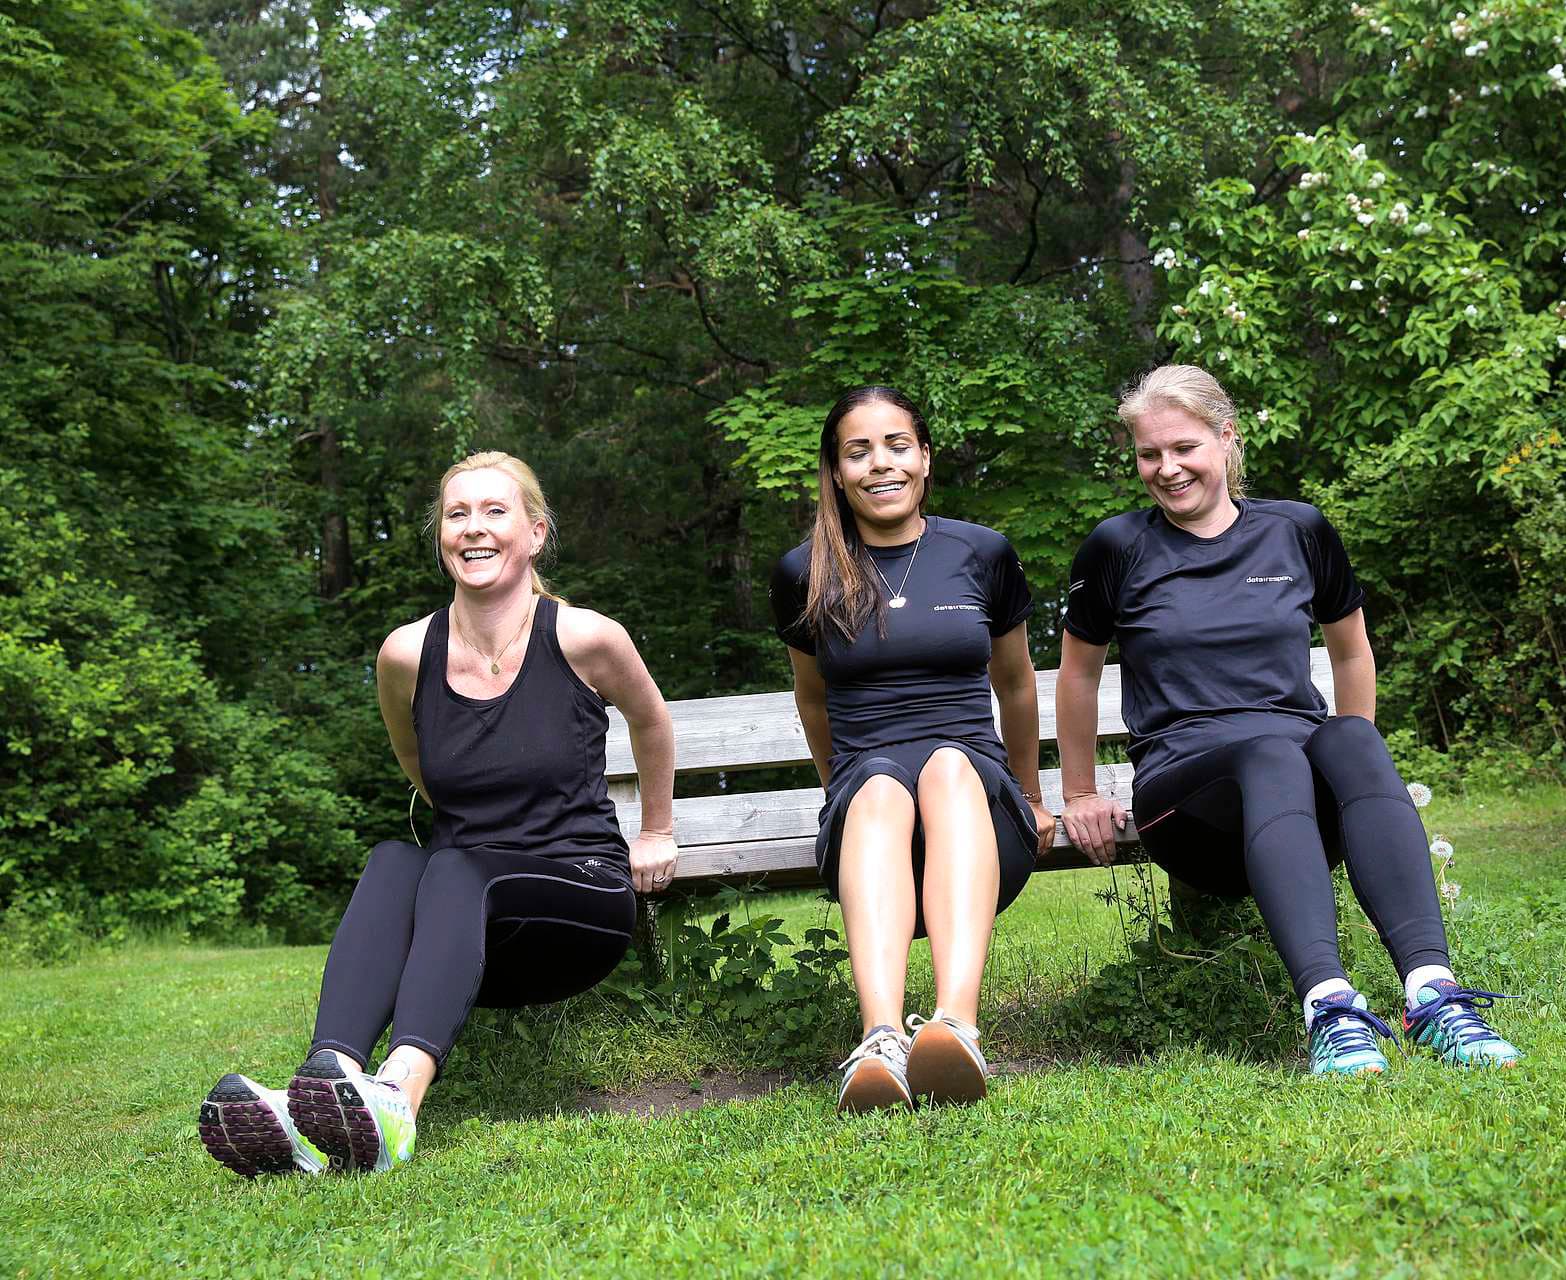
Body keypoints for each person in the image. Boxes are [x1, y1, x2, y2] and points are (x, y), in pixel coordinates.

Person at [197, 451, 678, 1176]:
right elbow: (414, 757)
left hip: (576, 902)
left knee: (454, 868)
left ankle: (397, 1100)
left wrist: (656, 831)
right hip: (466, 930)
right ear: (441, 536)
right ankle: (323, 1091)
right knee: (398, 858)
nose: (474, 528)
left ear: (536, 533)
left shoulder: (585, 637)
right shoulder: (406, 654)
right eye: (458, 514)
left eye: (495, 511)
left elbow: (651, 722)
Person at [1055, 365, 1519, 1075]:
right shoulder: (1118, 547)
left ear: (1226, 437)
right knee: (1269, 750)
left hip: (1297, 804)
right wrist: (1081, 791)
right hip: (1189, 808)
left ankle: (1434, 994)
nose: (1167, 468)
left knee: (1348, 734)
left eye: (1184, 447)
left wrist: (1352, 770)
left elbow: (1351, 649)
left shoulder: (1298, 530)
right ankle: (1330, 1009)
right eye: (1150, 454)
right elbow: (1079, 674)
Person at [770, 386, 1054, 1112]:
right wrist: (840, 788)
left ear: (925, 457)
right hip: (870, 817)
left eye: (897, 446)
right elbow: (813, 698)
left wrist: (1031, 795)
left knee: (949, 766)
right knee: (876, 790)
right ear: (836, 473)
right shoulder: (804, 572)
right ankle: (882, 1040)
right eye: (858, 452)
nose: (880, 464)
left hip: (980, 809)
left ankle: (956, 1026)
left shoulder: (981, 552)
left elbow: (1016, 685)